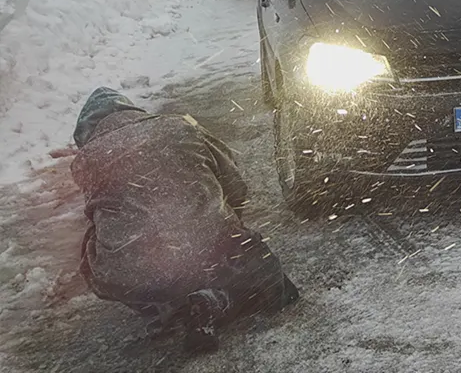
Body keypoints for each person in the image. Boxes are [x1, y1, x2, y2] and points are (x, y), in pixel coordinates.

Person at [70, 87, 299, 353]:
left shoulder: (85, 160)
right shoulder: (177, 126)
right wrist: (230, 224)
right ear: (129, 110)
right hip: (205, 243)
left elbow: (100, 216)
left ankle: (168, 308)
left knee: (95, 239)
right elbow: (232, 181)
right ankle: (233, 285)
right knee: (224, 241)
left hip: (137, 266)